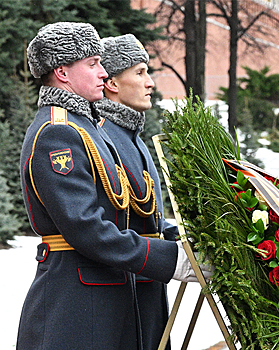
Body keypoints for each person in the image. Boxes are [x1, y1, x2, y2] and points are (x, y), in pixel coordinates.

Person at [18, 22, 196, 350]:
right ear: (62, 72)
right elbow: (86, 228)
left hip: (107, 295)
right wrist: (171, 259)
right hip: (76, 303)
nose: (103, 72)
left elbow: (128, 213)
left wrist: (186, 243)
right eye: (92, 64)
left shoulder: (87, 128)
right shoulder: (58, 132)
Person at [94, 33, 177, 350]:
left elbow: (148, 217)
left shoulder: (132, 136)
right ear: (112, 83)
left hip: (147, 287)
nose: (150, 82)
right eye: (140, 72)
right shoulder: (102, 136)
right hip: (119, 288)